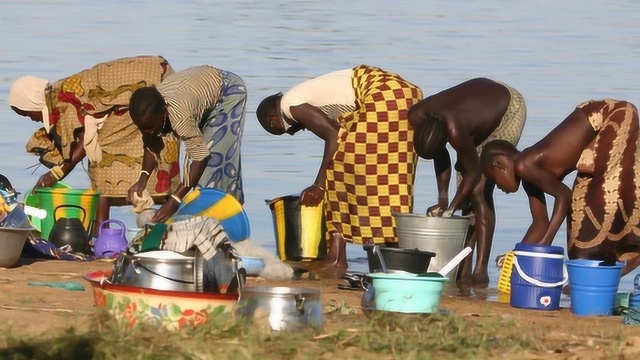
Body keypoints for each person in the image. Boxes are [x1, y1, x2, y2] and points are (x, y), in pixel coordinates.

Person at [256, 65, 423, 273]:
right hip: (405, 93)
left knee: (339, 169)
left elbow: (333, 135)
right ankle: (390, 253)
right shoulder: (303, 95)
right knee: (386, 177)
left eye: (282, 132)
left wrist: (319, 185)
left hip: (382, 95)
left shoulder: (291, 105)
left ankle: (337, 257)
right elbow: (340, 133)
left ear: (273, 120)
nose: (291, 134)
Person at [8, 56, 180, 237]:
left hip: (153, 84)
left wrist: (55, 174)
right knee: (104, 152)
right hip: (156, 75)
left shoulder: (62, 100)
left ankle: (102, 228)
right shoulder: (58, 94)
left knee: (103, 152)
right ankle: (109, 226)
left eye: (28, 114)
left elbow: (83, 144)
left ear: (34, 102)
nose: (33, 119)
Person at [480, 99, 640, 278]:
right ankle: (592, 279)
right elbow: (540, 223)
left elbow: (564, 196)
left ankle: (630, 252)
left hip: (611, 115)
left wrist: (546, 242)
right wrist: (517, 254)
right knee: (580, 227)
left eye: (495, 180)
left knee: (594, 199)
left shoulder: (525, 165)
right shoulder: (529, 177)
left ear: (500, 164)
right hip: (599, 129)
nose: (500, 188)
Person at [408, 78, 526, 284]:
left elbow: (473, 173)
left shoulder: (456, 129)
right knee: (465, 191)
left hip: (507, 109)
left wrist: (451, 208)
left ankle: (480, 270)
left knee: (479, 190)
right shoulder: (416, 116)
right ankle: (463, 267)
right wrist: (443, 199)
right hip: (479, 108)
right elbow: (440, 154)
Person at [127, 65, 246, 223]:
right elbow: (150, 143)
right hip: (197, 92)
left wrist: (174, 200)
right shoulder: (150, 111)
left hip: (227, 92)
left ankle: (225, 220)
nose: (146, 131)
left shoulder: (179, 117)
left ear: (164, 112)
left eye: (149, 127)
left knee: (214, 166)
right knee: (198, 174)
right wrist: (141, 181)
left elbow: (201, 158)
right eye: (141, 128)